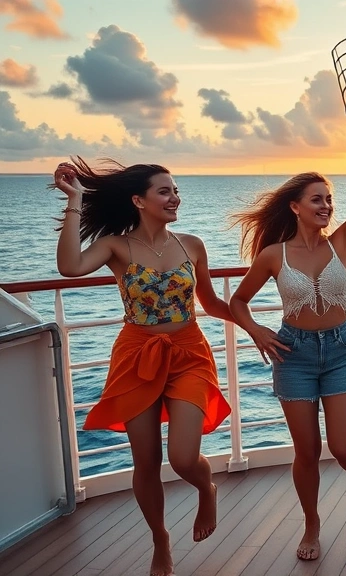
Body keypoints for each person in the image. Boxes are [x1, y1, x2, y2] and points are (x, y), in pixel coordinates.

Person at [228, 100, 346, 561]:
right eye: (317, 199)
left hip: (342, 349)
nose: (327, 206)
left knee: (343, 444)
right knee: (306, 452)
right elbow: (238, 301)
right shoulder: (273, 254)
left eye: (329, 199)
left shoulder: (343, 242)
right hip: (294, 354)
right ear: (295, 207)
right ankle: (312, 525)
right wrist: (256, 332)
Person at [51, 158, 234, 576]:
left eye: (176, 190)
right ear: (139, 200)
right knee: (146, 460)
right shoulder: (117, 246)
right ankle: (160, 539)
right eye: (165, 191)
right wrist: (75, 199)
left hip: (188, 352)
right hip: (137, 354)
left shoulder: (192, 244)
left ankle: (206, 488)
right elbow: (69, 267)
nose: (175, 198)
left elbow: (211, 303)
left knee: (185, 458)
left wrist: (254, 327)